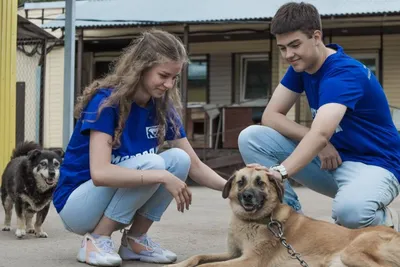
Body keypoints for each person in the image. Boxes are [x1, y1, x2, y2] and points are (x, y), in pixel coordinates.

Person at [53, 29, 227, 266]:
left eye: (174, 77)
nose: (169, 84)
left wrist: (232, 187)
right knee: (155, 164)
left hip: (111, 199)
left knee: (178, 159)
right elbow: (100, 173)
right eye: (163, 75)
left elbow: (194, 165)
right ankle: (96, 239)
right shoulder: (106, 103)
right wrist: (161, 176)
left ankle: (135, 240)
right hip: (77, 205)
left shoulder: (162, 107)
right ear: (141, 68)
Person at [239, 2, 400, 231]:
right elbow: (271, 116)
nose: (288, 55)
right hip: (331, 161)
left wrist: (280, 173)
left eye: (295, 45)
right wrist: (315, 140)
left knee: (351, 213)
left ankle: (386, 223)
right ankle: (289, 221)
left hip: (375, 165)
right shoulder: (300, 68)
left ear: (316, 37)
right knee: (251, 137)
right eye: (282, 48)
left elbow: (323, 133)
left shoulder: (343, 73)